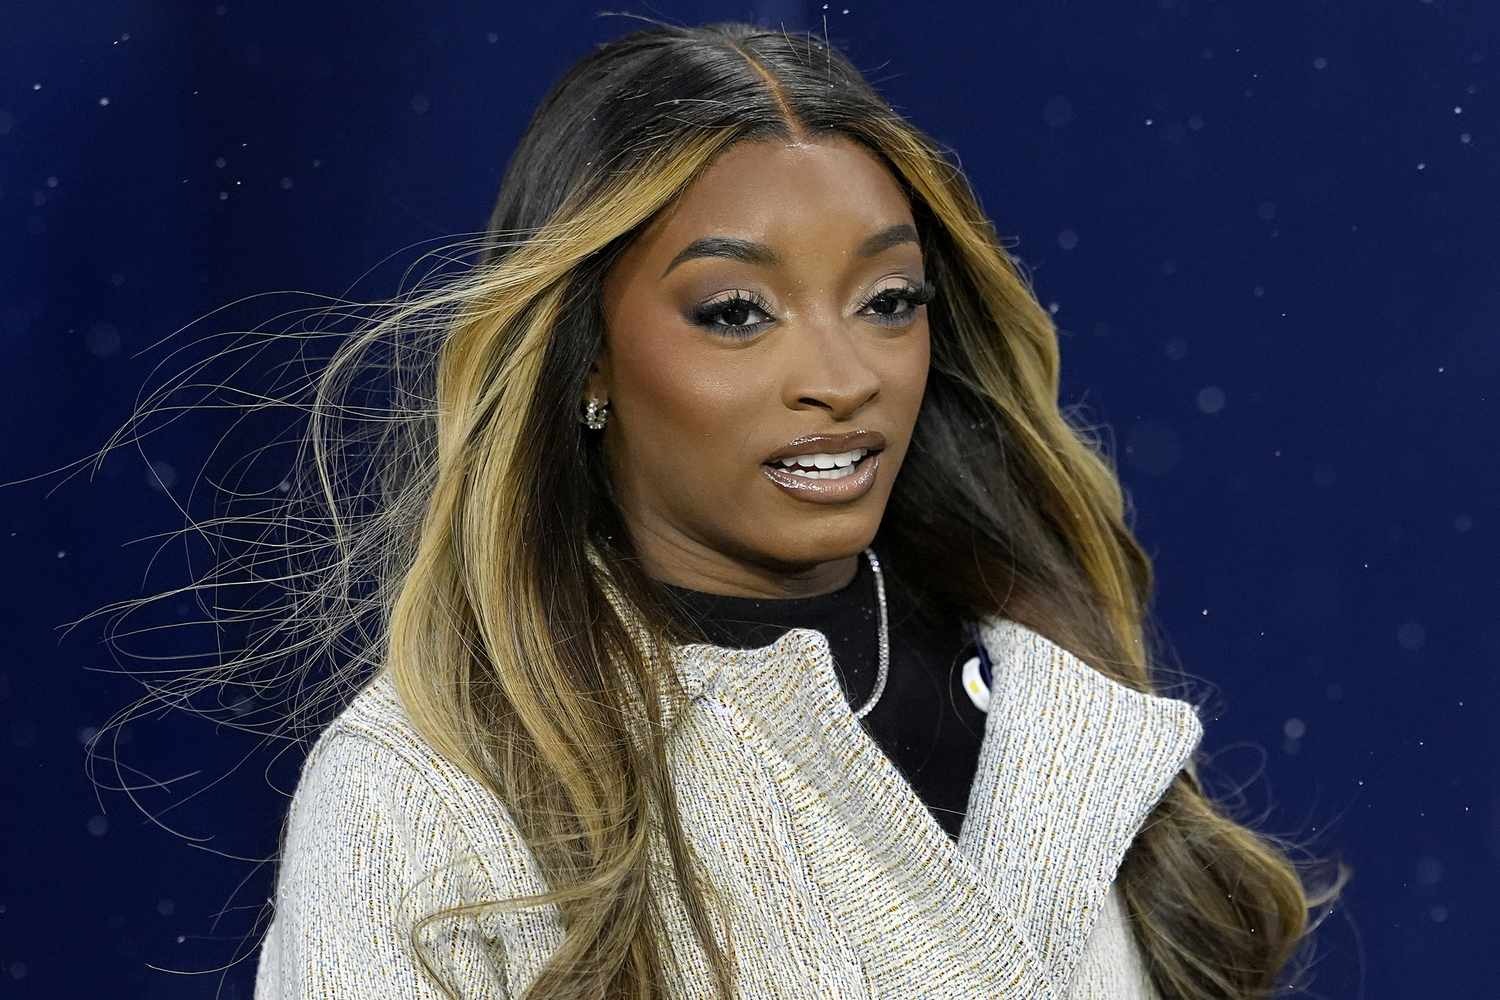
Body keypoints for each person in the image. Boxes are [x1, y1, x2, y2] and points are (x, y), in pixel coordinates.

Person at [96, 18, 1344, 1000]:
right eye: (736, 312)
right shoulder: (430, 792)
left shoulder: (1062, 716)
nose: (843, 376)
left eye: (889, 300)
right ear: (585, 356)